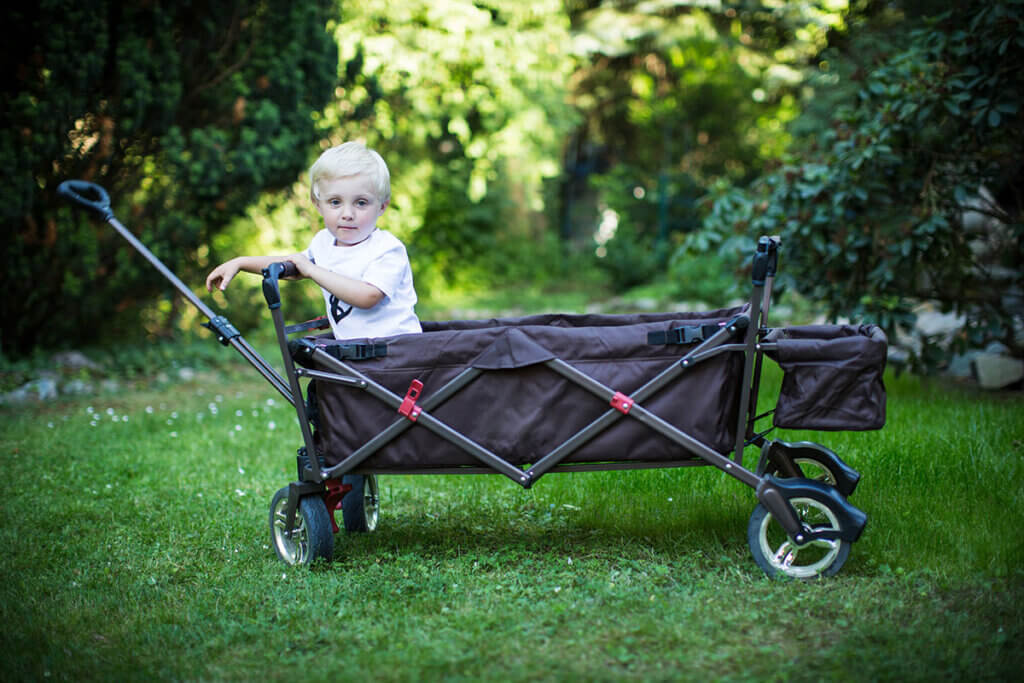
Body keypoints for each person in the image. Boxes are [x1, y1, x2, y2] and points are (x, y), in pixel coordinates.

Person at [206, 141, 421, 339]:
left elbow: (368, 296)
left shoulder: (387, 249)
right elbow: (294, 267)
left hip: (399, 357)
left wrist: (312, 270)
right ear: (318, 204)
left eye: (361, 203)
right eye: (335, 202)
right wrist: (241, 262)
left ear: (382, 206)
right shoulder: (323, 243)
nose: (347, 213)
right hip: (359, 359)